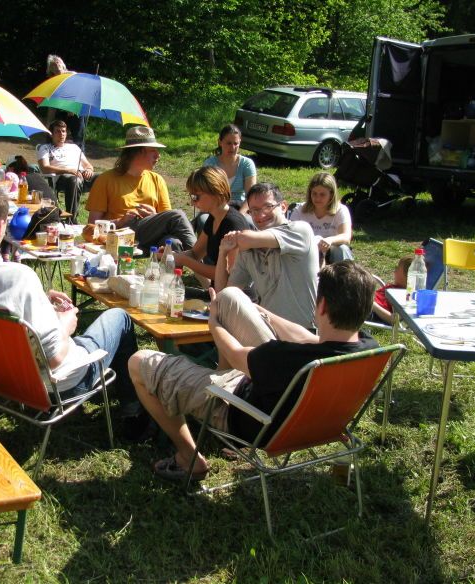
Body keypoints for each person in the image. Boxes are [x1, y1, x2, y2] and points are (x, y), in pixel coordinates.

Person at [0, 181, 149, 439]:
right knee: (119, 318)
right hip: (56, 384)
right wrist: (65, 323)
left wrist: (40, 300)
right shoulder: (17, 277)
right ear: (1, 226)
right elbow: (55, 357)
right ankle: (134, 413)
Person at [128, 260, 378, 481]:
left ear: (321, 306)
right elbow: (306, 337)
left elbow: (236, 355)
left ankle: (188, 458)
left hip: (242, 412)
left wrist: (214, 322)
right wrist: (261, 312)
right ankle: (220, 347)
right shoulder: (368, 349)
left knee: (139, 362)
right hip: (311, 423)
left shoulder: (286, 358)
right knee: (229, 297)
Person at [214, 183, 319, 330]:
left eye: (268, 207)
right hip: (268, 331)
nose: (261, 215)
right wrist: (222, 253)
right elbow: (224, 294)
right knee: (218, 325)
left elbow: (245, 238)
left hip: (303, 332)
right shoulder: (249, 250)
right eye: (254, 210)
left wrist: (237, 238)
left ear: (283, 207)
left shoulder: (300, 230)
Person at [86, 126, 196, 252]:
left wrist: (154, 216)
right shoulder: (106, 179)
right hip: (120, 235)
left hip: (150, 235)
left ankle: (185, 263)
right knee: (177, 216)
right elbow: (92, 225)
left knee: (173, 243)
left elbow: (167, 220)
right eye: (153, 150)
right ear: (138, 152)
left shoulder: (157, 179)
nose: (158, 155)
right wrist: (120, 221)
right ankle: (199, 259)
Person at [173, 167, 249, 285]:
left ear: (215, 191)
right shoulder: (214, 217)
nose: (192, 202)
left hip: (232, 293)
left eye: (195, 197)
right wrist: (170, 255)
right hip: (217, 290)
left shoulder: (233, 224)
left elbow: (228, 274)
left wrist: (184, 260)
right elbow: (195, 254)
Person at [289, 172, 354, 265]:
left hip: (331, 250)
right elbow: (290, 234)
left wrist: (330, 240)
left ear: (331, 195)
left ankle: (344, 273)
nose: (317, 198)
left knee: (342, 249)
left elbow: (346, 236)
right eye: (314, 193)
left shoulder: (341, 210)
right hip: (306, 251)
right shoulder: (299, 210)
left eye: (322, 194)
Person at [37, 119, 96, 218]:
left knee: (103, 178)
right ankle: (72, 218)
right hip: (63, 177)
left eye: (63, 131)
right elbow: (44, 168)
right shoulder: (45, 148)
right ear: (51, 134)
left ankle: (100, 215)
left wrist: (89, 170)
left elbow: (88, 165)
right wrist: (68, 171)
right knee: (74, 180)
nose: (61, 134)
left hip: (82, 174)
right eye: (58, 131)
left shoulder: (74, 147)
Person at [203, 124, 257, 212]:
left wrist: (240, 215)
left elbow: (251, 197)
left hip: (239, 208)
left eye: (236, 143)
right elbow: (205, 194)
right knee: (203, 219)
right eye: (228, 143)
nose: (232, 147)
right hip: (215, 207)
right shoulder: (210, 164)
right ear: (220, 142)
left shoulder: (246, 164)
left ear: (240, 143)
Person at [45, 54, 86, 148]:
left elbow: (80, 92)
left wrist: (71, 107)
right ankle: (52, 153)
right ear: (50, 70)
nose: (56, 66)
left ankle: (80, 154)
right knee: (54, 133)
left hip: (76, 110)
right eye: (53, 65)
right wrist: (49, 122)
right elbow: (52, 104)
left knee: (78, 139)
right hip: (61, 111)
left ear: (63, 65)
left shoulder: (72, 75)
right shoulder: (52, 82)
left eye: (58, 63)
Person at [371, 255, 412, 324]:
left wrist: (372, 304)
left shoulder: (404, 296)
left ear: (407, 276)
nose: (395, 270)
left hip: (371, 311)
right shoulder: (394, 288)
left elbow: (394, 320)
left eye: (398, 268)